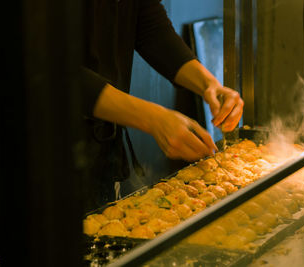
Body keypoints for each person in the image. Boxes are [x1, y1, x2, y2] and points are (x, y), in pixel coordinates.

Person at [81, 0, 244, 209]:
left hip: (100, 154)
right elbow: (50, 70)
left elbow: (151, 28)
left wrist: (210, 85)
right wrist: (152, 118)